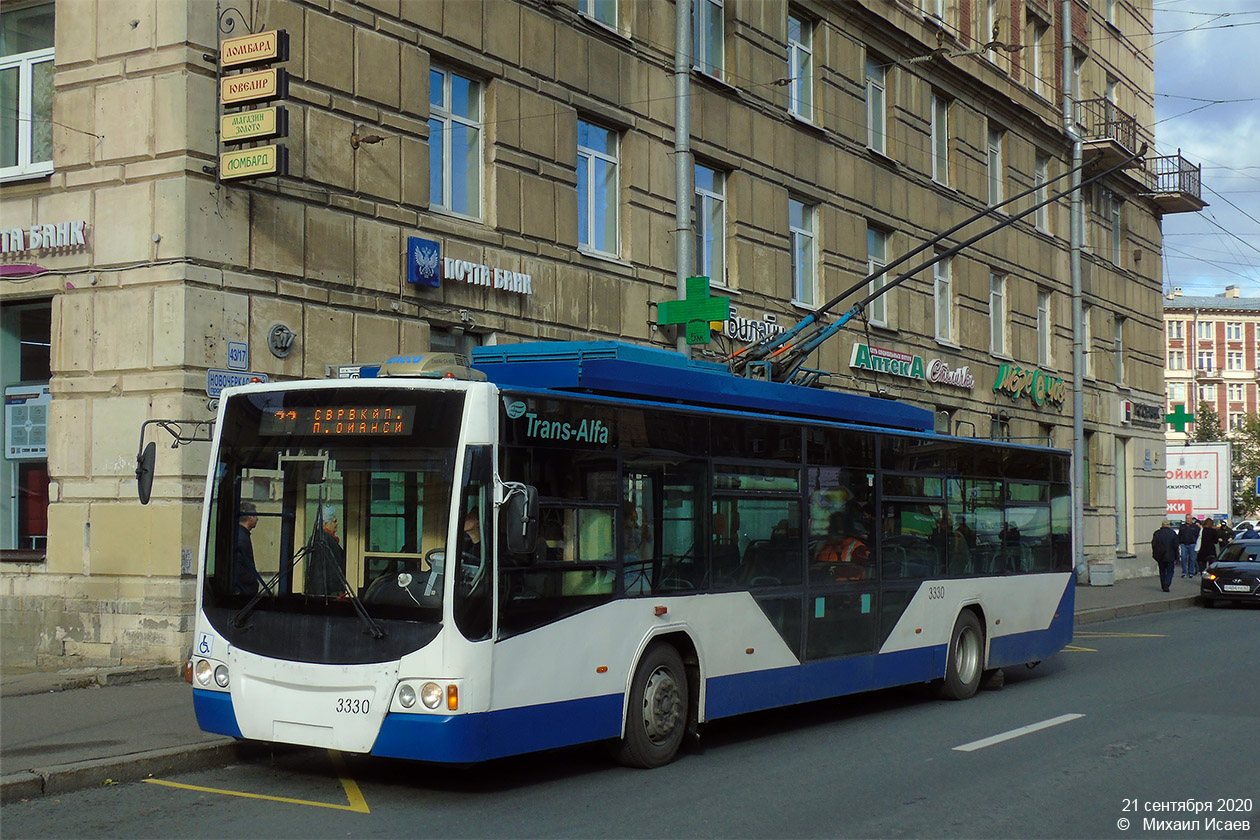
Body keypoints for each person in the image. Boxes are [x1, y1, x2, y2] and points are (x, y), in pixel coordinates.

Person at [305, 504, 347, 596]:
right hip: (328, 594)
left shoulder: (316, 538)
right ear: (325, 524)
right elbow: (320, 572)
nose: (337, 524)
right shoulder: (324, 541)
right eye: (334, 521)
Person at [233, 501, 264, 596]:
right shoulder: (242, 538)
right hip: (244, 591)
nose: (257, 519)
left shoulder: (240, 534)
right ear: (250, 518)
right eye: (256, 516)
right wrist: (252, 579)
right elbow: (237, 566)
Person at [1150, 519, 1179, 592]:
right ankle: (1167, 583)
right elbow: (1176, 545)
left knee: (1162, 571)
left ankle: (1163, 584)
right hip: (1170, 555)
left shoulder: (1157, 533)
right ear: (1168, 525)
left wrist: (1155, 553)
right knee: (1170, 571)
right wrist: (1176, 555)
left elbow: (1153, 544)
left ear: (1162, 524)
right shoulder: (1172, 533)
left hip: (1160, 556)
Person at [1177, 513, 1200, 578]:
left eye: (1189, 518)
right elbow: (1179, 535)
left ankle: (1191, 573)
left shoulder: (1195, 527)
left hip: (1192, 545)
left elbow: (1198, 536)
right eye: (1187, 518)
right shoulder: (1182, 526)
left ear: (1191, 519)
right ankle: (1184, 572)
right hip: (1184, 545)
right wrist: (1179, 543)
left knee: (1192, 559)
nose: (1188, 520)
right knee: (1184, 558)